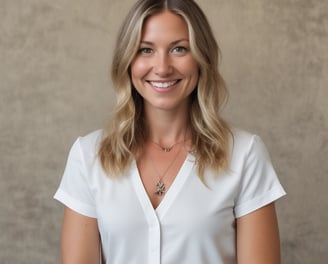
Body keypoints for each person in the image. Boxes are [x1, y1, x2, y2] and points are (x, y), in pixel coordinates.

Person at [54, 0, 286, 263]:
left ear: (202, 58)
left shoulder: (245, 155)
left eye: (179, 49)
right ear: (127, 61)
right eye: (146, 50)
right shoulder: (88, 156)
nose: (162, 67)